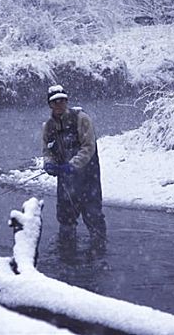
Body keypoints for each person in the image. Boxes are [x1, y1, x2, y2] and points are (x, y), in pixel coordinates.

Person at [41, 84, 106, 248]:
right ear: (50, 104)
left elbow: (89, 147)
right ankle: (67, 252)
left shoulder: (81, 118)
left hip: (88, 178)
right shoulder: (47, 127)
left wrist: (73, 165)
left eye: (62, 100)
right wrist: (49, 165)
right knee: (65, 217)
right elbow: (47, 151)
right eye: (55, 102)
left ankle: (99, 250)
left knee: (93, 215)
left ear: (67, 101)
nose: (59, 104)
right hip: (65, 181)